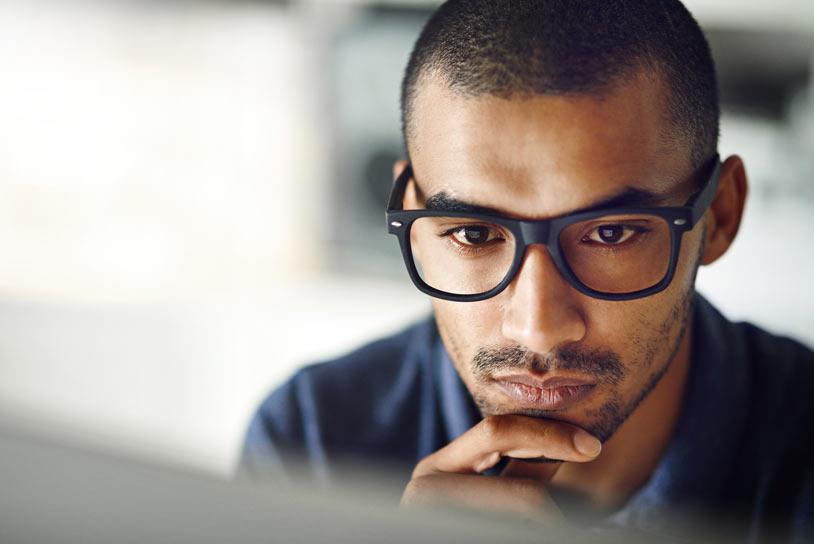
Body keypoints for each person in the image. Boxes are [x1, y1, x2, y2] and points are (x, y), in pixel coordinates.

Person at [241, 0, 814, 540]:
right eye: (473, 234)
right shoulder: (311, 446)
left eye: (609, 234)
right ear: (414, 219)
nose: (537, 328)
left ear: (718, 216)